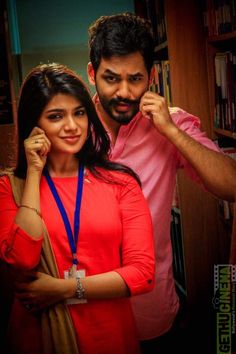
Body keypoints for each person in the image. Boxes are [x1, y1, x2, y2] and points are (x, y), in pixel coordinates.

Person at [87, 12, 236, 353]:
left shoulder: (171, 122)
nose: (124, 92)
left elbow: (231, 185)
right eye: (111, 78)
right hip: (87, 316)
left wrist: (170, 131)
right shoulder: (72, 127)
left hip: (151, 314)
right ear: (92, 73)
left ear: (152, 77)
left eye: (135, 79)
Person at [0, 63, 155, 354]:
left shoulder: (120, 183)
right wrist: (34, 171)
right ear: (35, 124)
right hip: (39, 336)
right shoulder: (11, 188)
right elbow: (22, 259)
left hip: (109, 334)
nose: (72, 126)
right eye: (56, 116)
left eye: (79, 113)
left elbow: (142, 273)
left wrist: (64, 289)